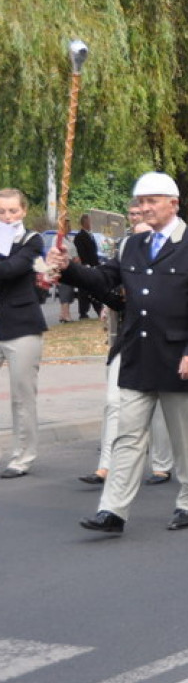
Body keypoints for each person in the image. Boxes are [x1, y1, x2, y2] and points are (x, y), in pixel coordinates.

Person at [48, 172, 188, 533]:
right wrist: (68, 270)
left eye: (151, 201)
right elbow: (104, 280)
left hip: (178, 357)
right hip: (138, 354)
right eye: (140, 202)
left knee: (186, 440)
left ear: (173, 203)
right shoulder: (131, 246)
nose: (144, 208)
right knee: (127, 436)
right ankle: (113, 510)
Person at [80, 211, 175, 486]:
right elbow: (108, 289)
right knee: (113, 403)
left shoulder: (170, 263)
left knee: (158, 407)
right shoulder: (126, 260)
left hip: (161, 341)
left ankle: (161, 464)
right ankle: (106, 466)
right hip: (129, 338)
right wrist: (106, 298)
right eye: (136, 235)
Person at [0, 188, 47, 479]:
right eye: (1, 212)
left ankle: (22, 455)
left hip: (22, 325)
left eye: (12, 211)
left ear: (24, 211)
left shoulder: (32, 240)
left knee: (22, 396)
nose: (7, 217)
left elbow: (11, 270)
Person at [73, 213, 102, 319]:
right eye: (90, 221)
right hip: (86, 266)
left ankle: (98, 309)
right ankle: (83, 312)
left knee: (93, 289)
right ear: (85, 223)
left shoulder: (91, 235)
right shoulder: (79, 237)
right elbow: (82, 253)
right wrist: (86, 265)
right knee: (85, 291)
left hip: (94, 265)